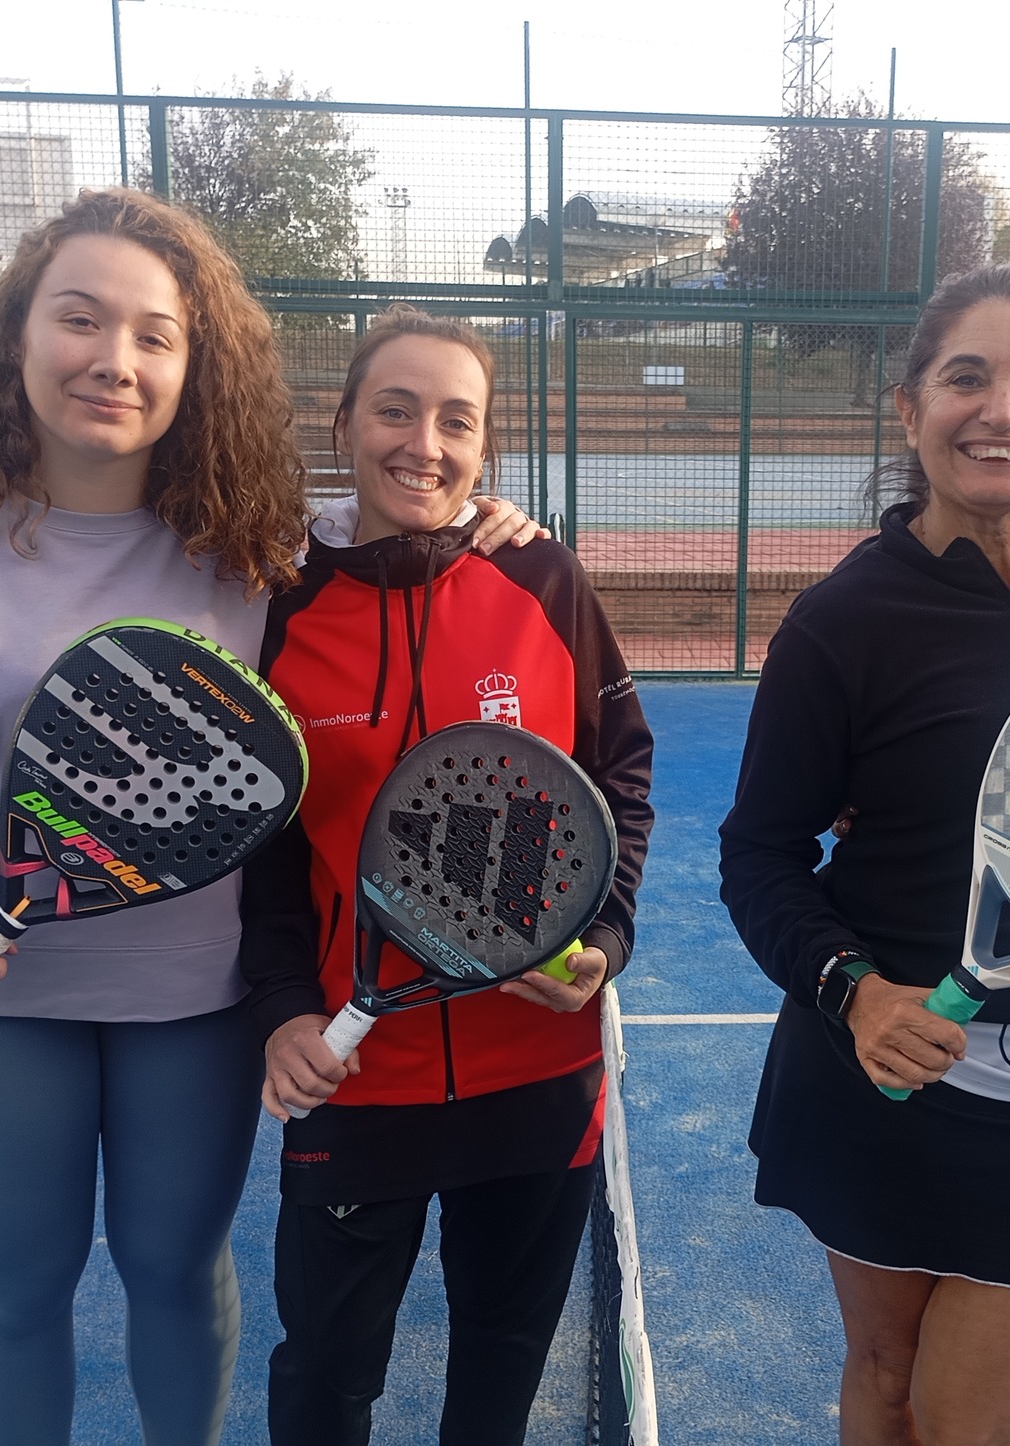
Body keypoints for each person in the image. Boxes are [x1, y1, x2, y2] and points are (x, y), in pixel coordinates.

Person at [0, 189, 541, 1446]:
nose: (114, 360)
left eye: (154, 335)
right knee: (14, 1295)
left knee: (177, 1274)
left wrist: (492, 526)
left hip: (196, 1003)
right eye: (80, 318)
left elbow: (402, 522)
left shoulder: (259, 551)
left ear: (192, 368)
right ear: (17, 333)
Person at [719, 264, 1010, 1446]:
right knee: (888, 1376)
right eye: (967, 378)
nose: (1001, 410)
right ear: (911, 409)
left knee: (968, 1417)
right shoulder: (838, 624)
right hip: (886, 1074)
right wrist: (857, 996)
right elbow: (759, 855)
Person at [236, 303, 654, 1446]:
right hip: (359, 1067)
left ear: (484, 447)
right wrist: (283, 1011)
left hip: (541, 1066)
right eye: (396, 410)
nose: (424, 443)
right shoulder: (278, 601)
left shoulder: (543, 580)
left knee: (500, 1377)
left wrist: (605, 939)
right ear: (343, 425)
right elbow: (264, 845)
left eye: (456, 420)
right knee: (325, 1382)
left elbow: (619, 776)